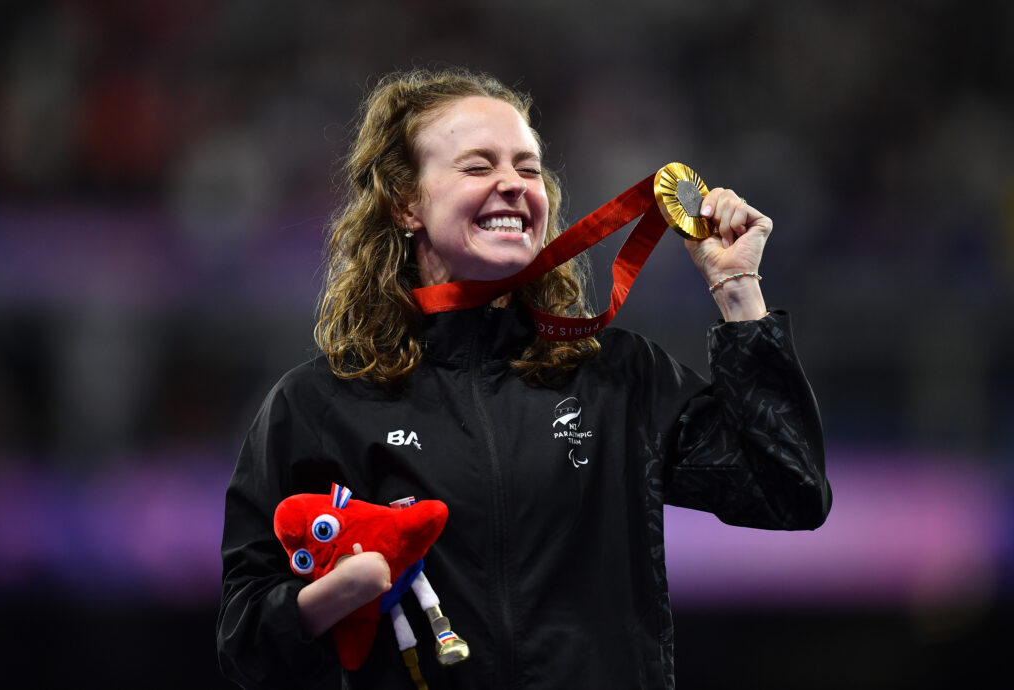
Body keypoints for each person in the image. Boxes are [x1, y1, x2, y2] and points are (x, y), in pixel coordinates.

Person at [217, 67, 831, 690]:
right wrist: (333, 597)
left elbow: (790, 493)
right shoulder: (320, 403)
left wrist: (738, 291)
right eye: (478, 167)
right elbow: (245, 644)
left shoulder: (617, 376)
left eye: (528, 168)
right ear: (407, 203)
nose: (512, 185)